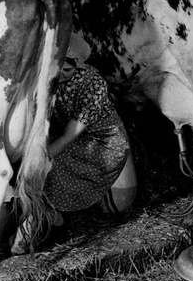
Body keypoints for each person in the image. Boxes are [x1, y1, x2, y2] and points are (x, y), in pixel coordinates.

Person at [44, 32, 132, 236]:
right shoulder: (48, 77)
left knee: (53, 164)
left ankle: (55, 212)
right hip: (69, 132)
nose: (61, 75)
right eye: (56, 69)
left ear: (78, 64)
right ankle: (49, 209)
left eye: (67, 70)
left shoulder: (94, 84)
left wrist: (40, 157)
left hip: (102, 139)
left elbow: (69, 136)